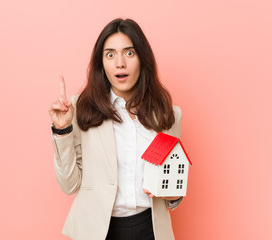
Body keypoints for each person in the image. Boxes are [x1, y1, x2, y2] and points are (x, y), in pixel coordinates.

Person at [49, 18, 183, 240]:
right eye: (110, 54)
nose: (120, 63)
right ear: (102, 63)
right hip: (99, 231)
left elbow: (173, 189)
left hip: (151, 229)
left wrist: (173, 195)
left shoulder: (167, 114)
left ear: (142, 58)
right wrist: (63, 131)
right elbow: (69, 185)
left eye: (129, 53)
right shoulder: (82, 109)